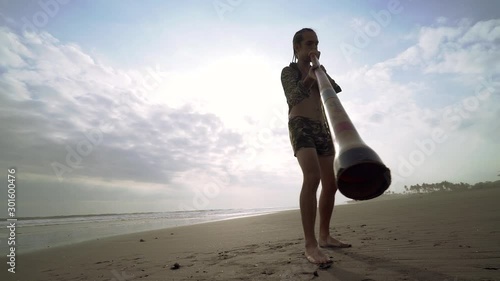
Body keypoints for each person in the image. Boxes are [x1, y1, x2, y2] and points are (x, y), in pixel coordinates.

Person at [280, 28, 351, 265]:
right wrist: (310, 74)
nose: (314, 47)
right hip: (300, 125)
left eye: (317, 43)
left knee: (331, 184)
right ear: (297, 48)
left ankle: (325, 236)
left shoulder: (318, 68)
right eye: (309, 43)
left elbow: (335, 90)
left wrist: (320, 70)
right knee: (312, 178)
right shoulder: (288, 71)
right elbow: (294, 97)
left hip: (323, 128)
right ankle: (310, 245)